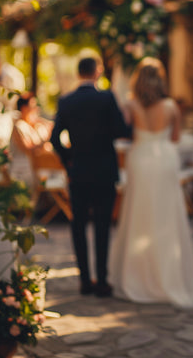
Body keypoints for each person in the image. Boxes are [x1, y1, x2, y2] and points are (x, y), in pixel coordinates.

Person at [108, 57, 193, 308]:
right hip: (164, 159)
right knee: (165, 217)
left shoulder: (130, 104)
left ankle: (137, 278)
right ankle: (167, 278)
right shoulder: (171, 107)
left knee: (138, 214)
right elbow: (175, 139)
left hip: (140, 158)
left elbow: (126, 133)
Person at [50, 57, 131, 297]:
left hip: (79, 172)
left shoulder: (66, 101)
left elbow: (54, 138)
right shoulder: (107, 98)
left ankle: (85, 281)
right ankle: (102, 281)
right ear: (96, 72)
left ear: (78, 73)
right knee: (102, 226)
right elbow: (121, 131)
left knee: (78, 226)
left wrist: (69, 160)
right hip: (104, 171)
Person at [9, 93, 56, 192]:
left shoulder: (33, 126)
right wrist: (46, 140)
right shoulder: (18, 126)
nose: (36, 110)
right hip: (23, 171)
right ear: (24, 108)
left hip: (36, 169)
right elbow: (28, 149)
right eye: (33, 106)